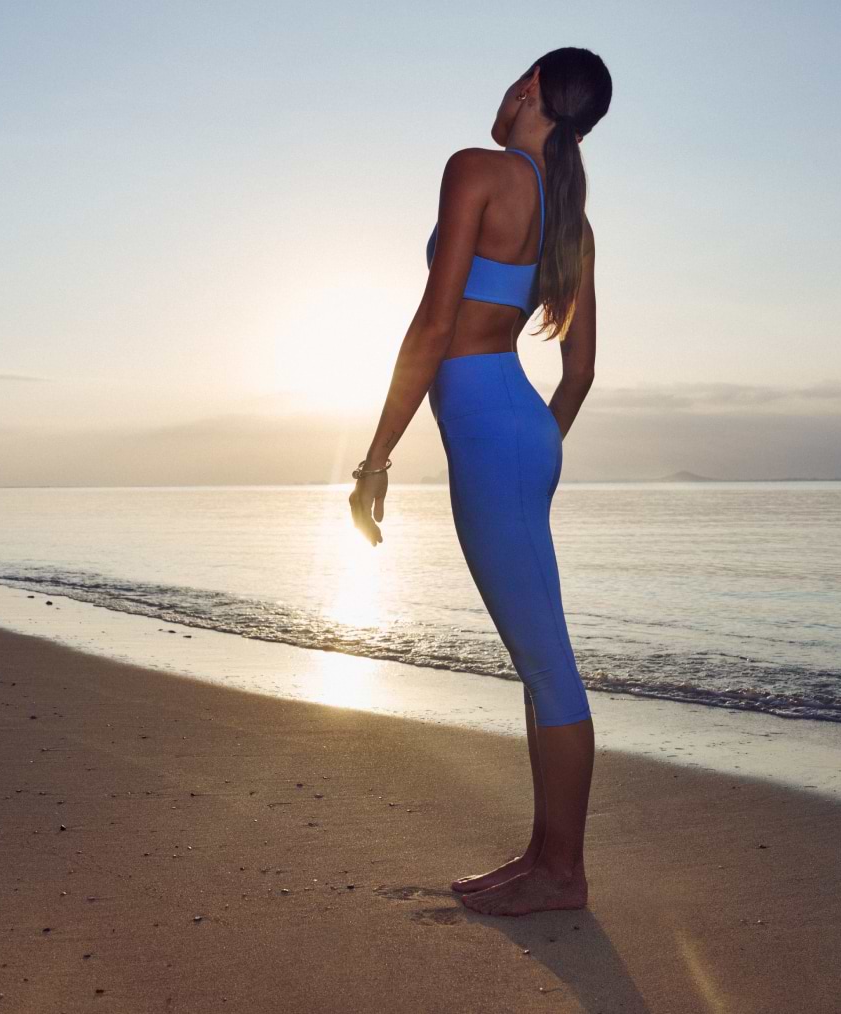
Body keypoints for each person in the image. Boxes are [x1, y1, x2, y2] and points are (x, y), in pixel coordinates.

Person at [347, 47, 613, 916]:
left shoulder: (479, 170)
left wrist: (377, 456)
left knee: (548, 664)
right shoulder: (572, 216)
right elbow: (577, 374)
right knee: (534, 662)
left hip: (496, 435)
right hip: (520, 426)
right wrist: (537, 448)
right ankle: (543, 856)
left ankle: (563, 875)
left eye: (514, 81)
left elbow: (433, 323)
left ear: (530, 89)